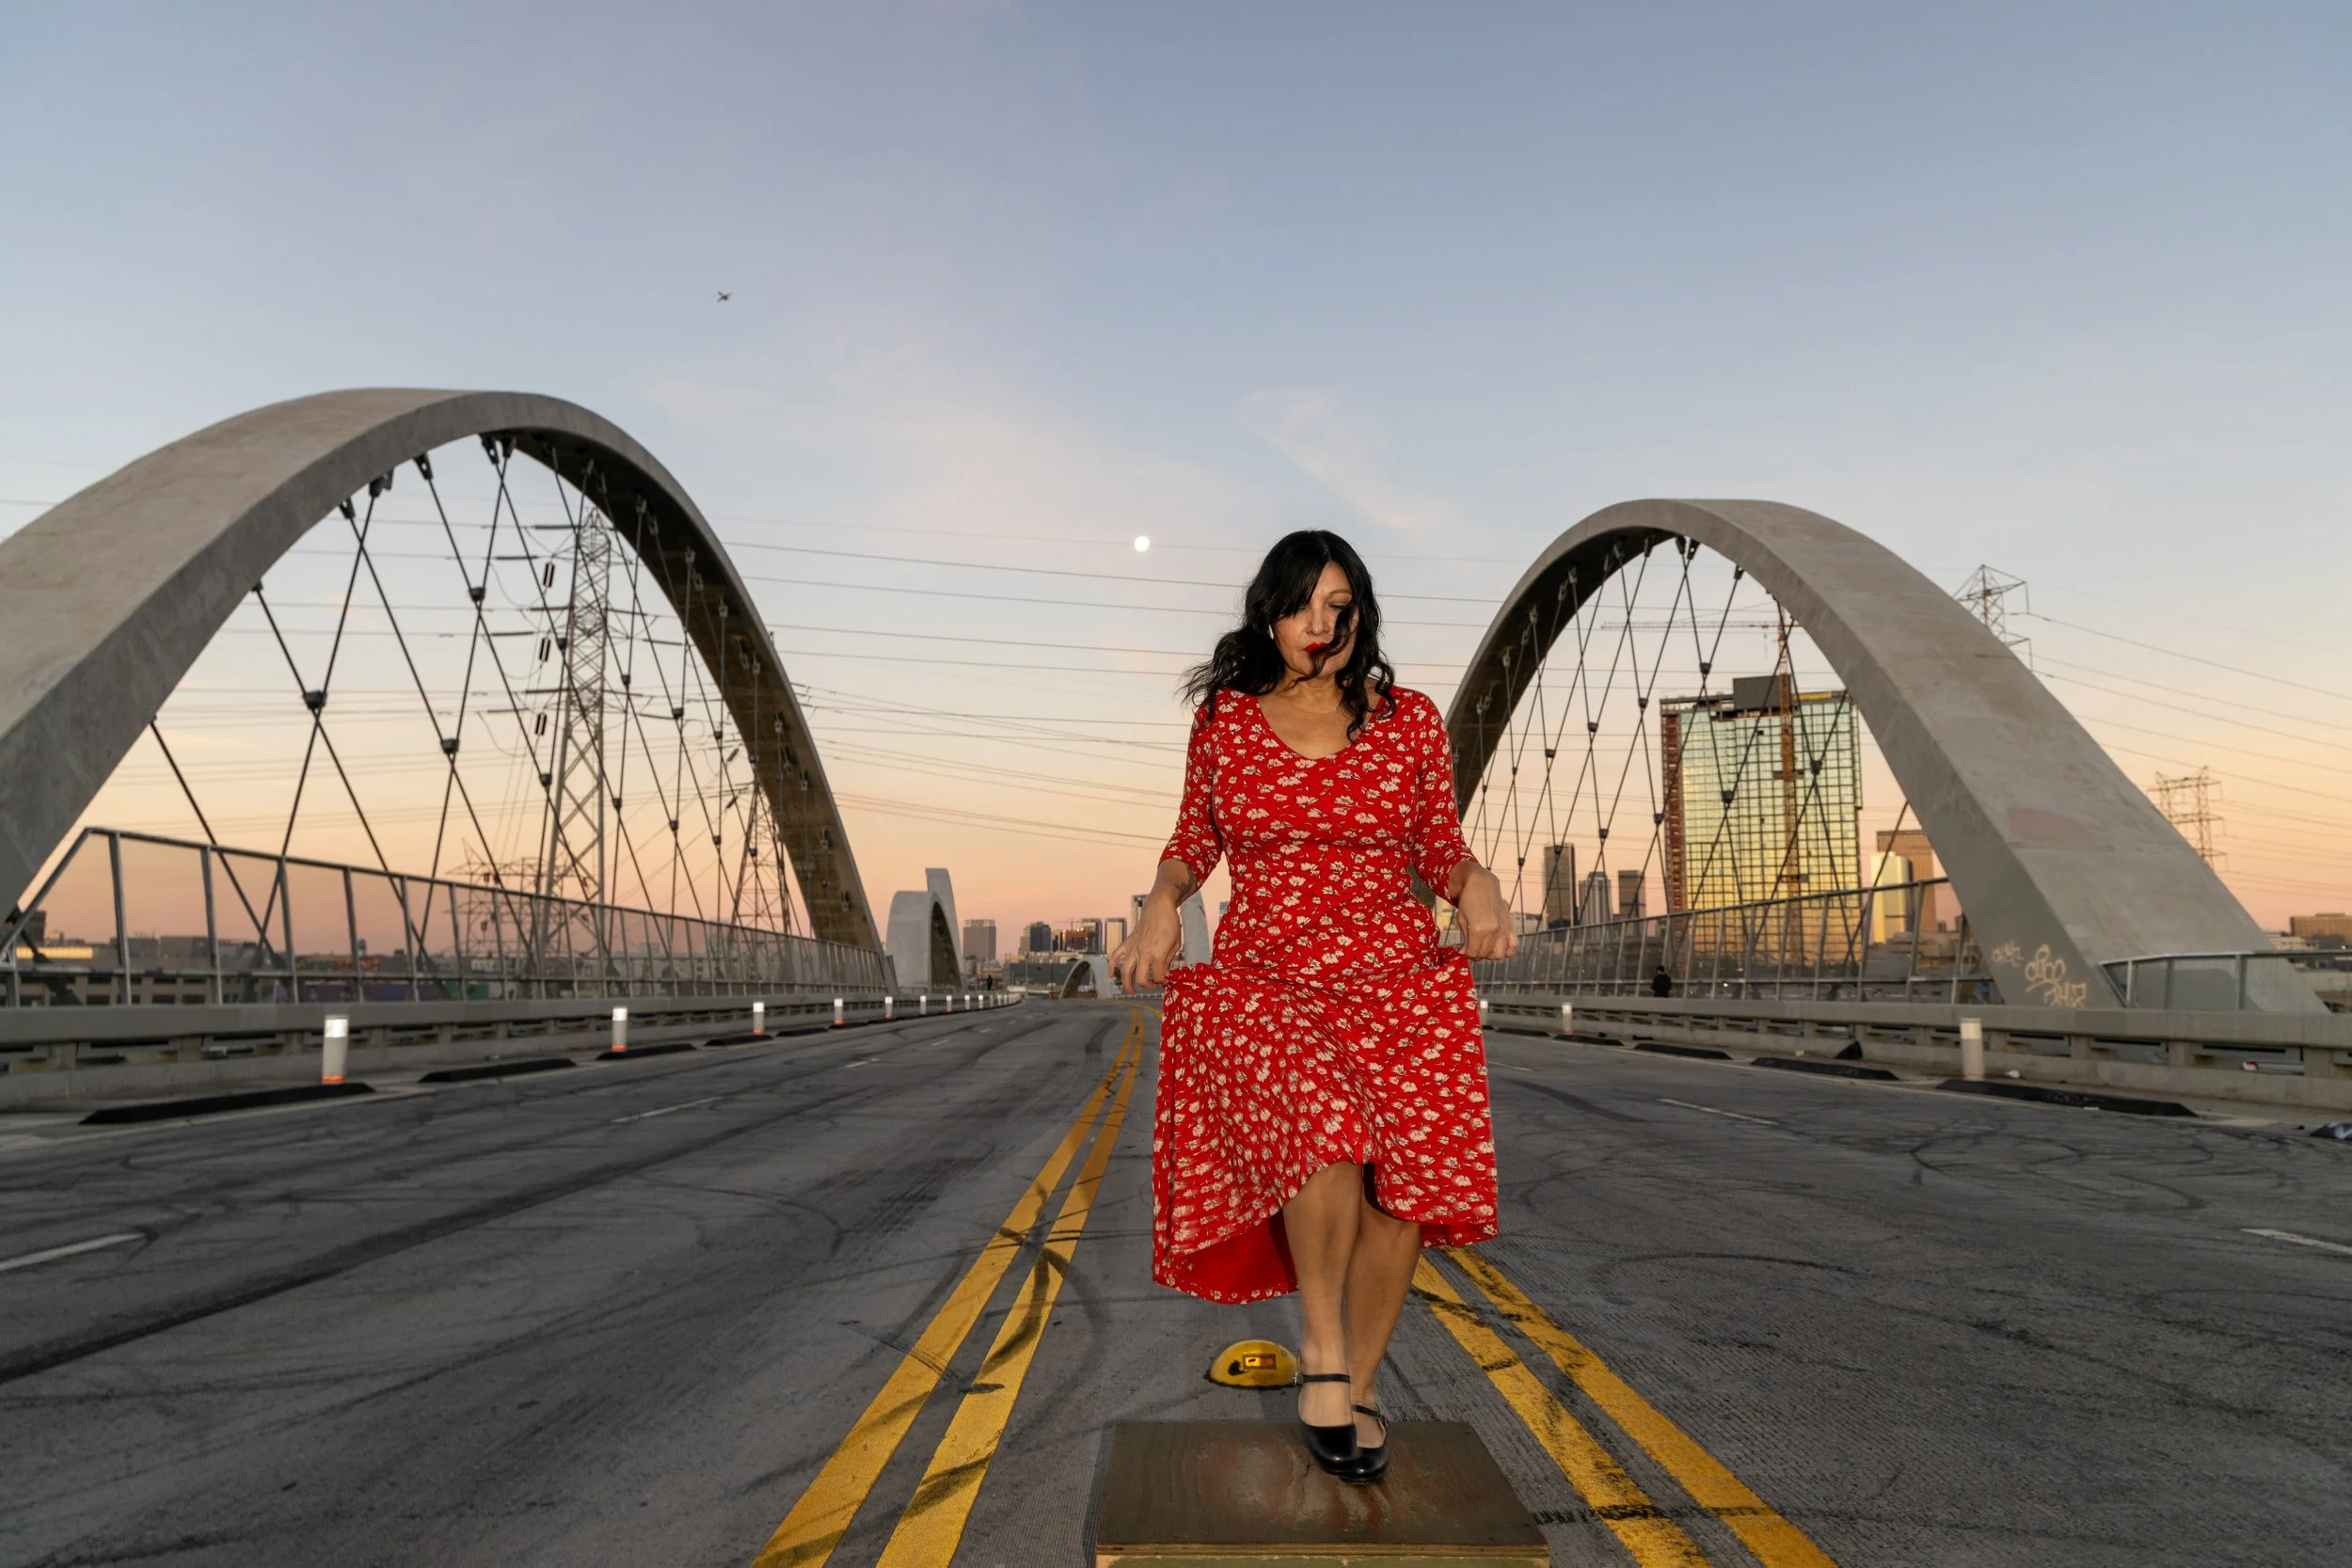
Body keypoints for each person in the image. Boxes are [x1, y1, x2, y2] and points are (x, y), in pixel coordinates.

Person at [1109, 531, 1517, 1484]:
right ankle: (1323, 1353)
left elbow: (1438, 842)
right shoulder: (1226, 720)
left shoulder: (1408, 721)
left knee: (1400, 1190)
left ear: (1361, 613)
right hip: (1270, 979)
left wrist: (1479, 883)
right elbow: (1192, 839)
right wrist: (1162, 900)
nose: (1320, 624)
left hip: (1395, 978)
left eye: (1339, 605)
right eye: (1302, 605)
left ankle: (1360, 1385)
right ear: (1270, 613)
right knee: (1325, 1128)